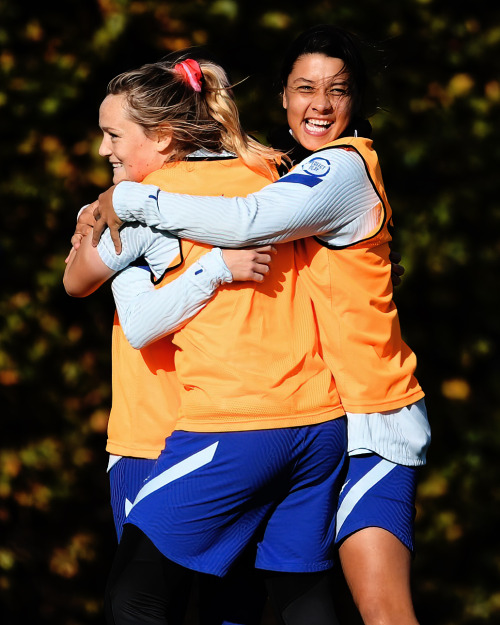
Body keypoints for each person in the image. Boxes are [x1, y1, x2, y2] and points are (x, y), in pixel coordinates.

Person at [91, 25, 431, 625]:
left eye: (337, 91)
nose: (320, 105)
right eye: (305, 88)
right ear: (281, 96)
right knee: (292, 597)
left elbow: (247, 221)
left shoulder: (342, 168)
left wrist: (128, 201)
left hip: (371, 415)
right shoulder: (287, 168)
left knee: (381, 609)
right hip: (327, 415)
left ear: (357, 102)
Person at [65, 54, 348, 625]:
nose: (103, 150)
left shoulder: (150, 204)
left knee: (137, 599)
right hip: (320, 420)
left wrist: (99, 217)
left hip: (204, 430)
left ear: (165, 137)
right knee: (266, 603)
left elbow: (78, 281)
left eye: (113, 135)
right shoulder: (271, 171)